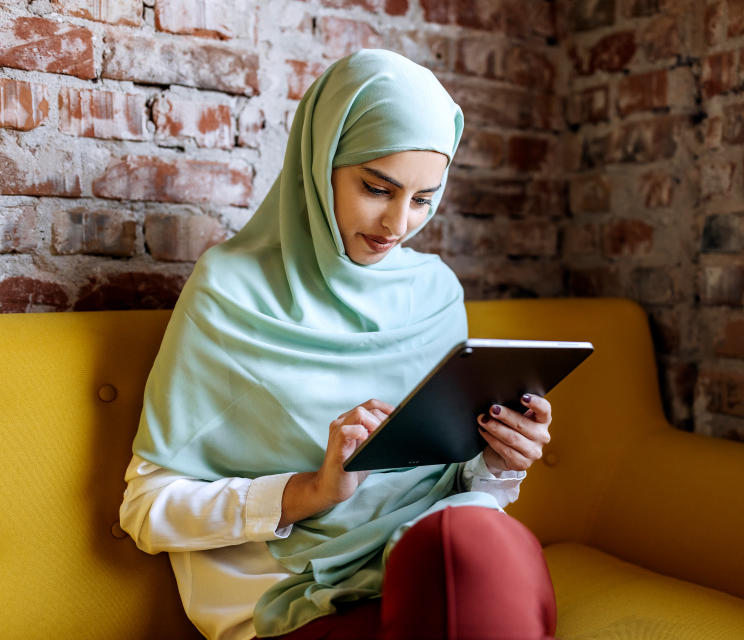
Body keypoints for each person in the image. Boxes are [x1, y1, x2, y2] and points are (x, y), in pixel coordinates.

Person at [118, 49, 558, 640]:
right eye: (378, 187)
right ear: (320, 162)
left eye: (424, 199)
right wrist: (312, 492)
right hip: (299, 605)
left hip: (432, 564)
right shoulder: (230, 289)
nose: (398, 224)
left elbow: (450, 489)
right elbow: (147, 508)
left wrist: (496, 464)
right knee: (473, 558)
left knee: (478, 543)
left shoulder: (435, 293)